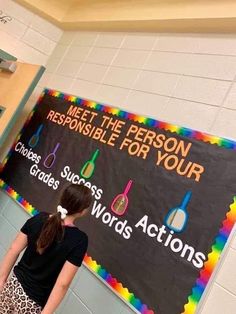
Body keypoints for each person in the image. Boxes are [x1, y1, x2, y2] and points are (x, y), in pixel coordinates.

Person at [0, 183, 92, 313]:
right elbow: (62, 284)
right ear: (82, 211)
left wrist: (1, 280)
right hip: (32, 304)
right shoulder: (79, 240)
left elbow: (13, 249)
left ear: (62, 199)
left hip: (12, 287)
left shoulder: (39, 218)